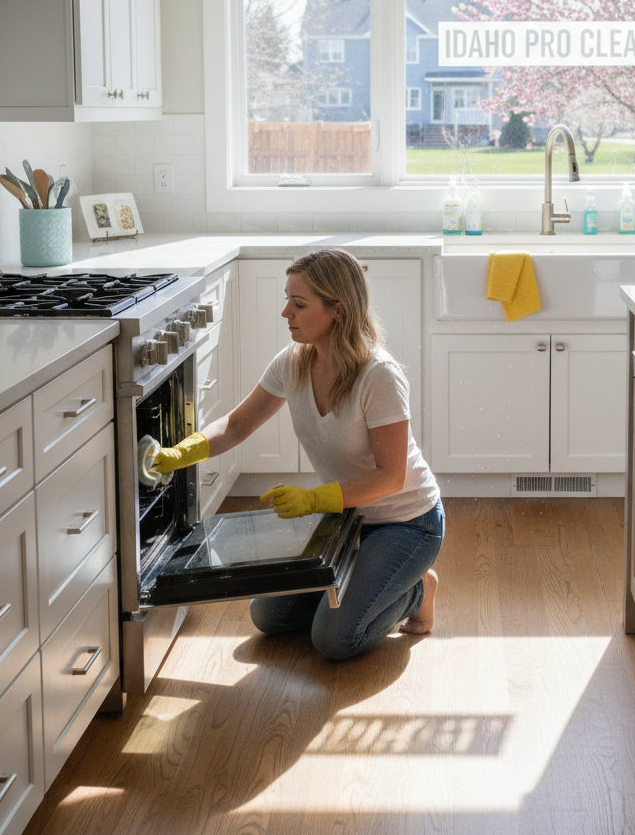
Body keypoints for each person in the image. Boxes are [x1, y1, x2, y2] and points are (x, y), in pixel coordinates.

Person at [151, 248, 444, 660]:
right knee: (270, 616)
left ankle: (415, 590)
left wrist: (312, 499)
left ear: (337, 310)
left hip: (406, 522)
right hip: (346, 519)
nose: (286, 312)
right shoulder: (293, 363)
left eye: (299, 303)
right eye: (287, 299)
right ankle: (362, 580)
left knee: (335, 640)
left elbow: (391, 477)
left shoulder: (378, 375)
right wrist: (183, 451)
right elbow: (237, 426)